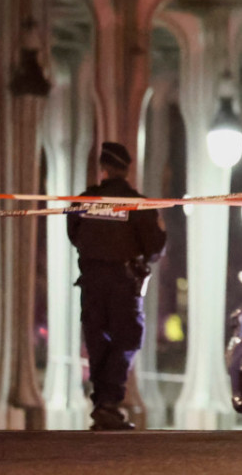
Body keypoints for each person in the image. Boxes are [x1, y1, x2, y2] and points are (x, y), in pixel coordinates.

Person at [67, 142, 166, 431]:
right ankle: (108, 403)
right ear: (126, 169)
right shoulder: (137, 204)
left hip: (92, 280)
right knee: (128, 339)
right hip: (124, 282)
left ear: (103, 168)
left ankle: (102, 404)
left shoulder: (83, 201)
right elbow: (155, 245)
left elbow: (74, 234)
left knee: (98, 342)